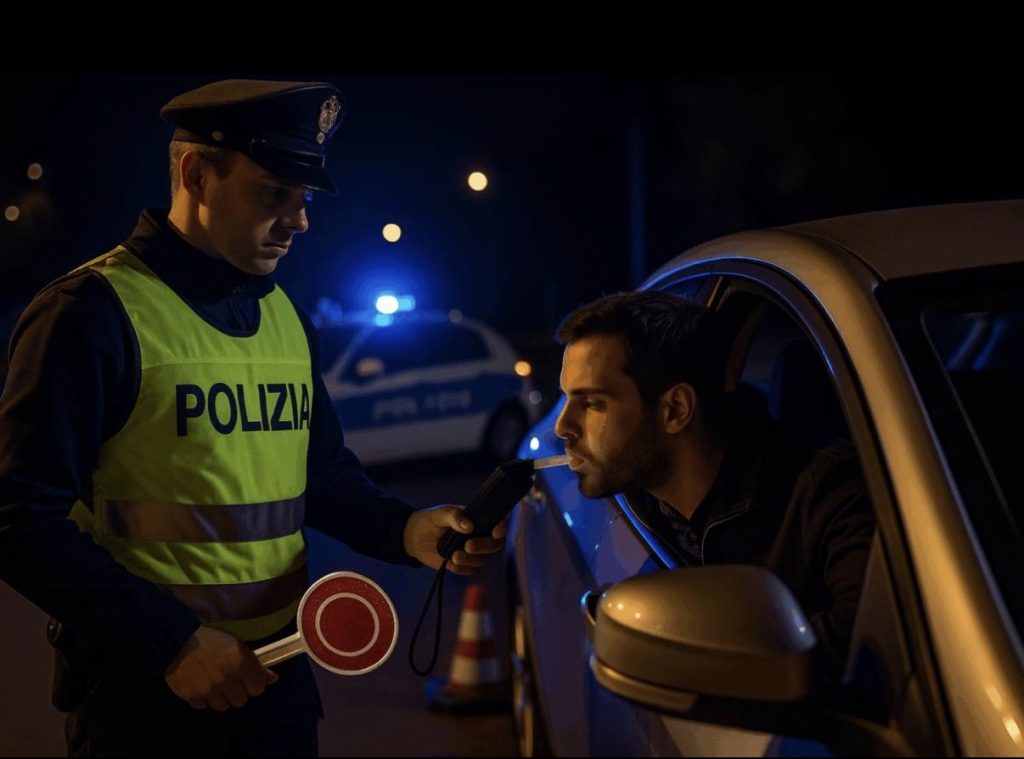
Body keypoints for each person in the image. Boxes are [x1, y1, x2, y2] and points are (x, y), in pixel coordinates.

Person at [0, 79, 505, 757]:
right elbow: (17, 516)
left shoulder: (285, 317)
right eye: (275, 194)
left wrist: (406, 528)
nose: (299, 221)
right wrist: (170, 639)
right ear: (196, 175)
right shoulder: (89, 313)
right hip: (147, 696)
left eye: (304, 201)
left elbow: (319, 473)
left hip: (278, 683)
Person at [553, 290, 875, 680]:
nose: (562, 427)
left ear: (675, 410)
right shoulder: (633, 483)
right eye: (566, 399)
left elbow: (866, 656)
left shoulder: (830, 495)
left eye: (592, 404)